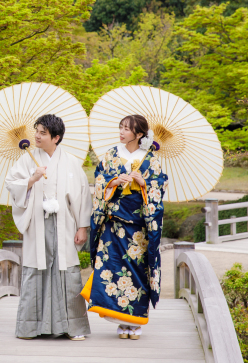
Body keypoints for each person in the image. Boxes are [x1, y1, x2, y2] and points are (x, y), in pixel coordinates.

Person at [5, 114, 92, 341]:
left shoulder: (71, 162)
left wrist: (82, 227)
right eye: (37, 131)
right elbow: (12, 184)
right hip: (38, 222)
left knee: (66, 272)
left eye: (43, 133)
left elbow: (83, 197)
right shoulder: (26, 159)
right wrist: (31, 180)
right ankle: (30, 327)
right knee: (36, 270)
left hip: (64, 223)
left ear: (56, 137)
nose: (37, 136)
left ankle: (73, 327)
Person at [86, 114, 168, 340]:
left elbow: (159, 188)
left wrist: (145, 184)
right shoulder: (111, 155)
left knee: (138, 272)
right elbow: (99, 180)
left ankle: (136, 321)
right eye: (120, 127)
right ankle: (121, 322)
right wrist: (113, 181)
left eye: (126, 129)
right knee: (112, 270)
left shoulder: (151, 160)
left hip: (139, 228)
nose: (121, 132)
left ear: (139, 134)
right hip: (113, 225)